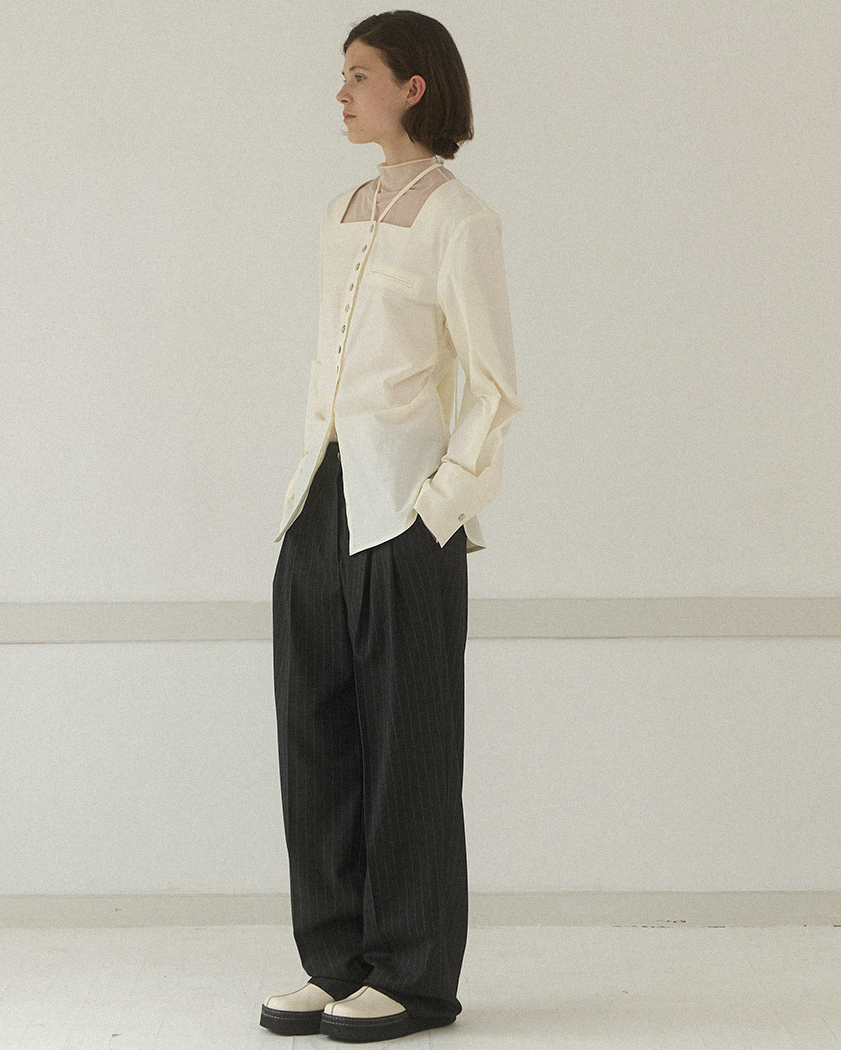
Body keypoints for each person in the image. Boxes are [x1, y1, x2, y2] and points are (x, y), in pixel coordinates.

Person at [261, 9, 523, 1043]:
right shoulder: (342, 209)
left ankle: (413, 978)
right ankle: (337, 961)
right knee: (314, 737)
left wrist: (439, 507)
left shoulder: (463, 220)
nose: (342, 92)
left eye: (360, 75)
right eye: (342, 74)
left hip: (405, 510)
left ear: (415, 87)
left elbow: (494, 386)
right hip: (320, 496)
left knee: (407, 749)